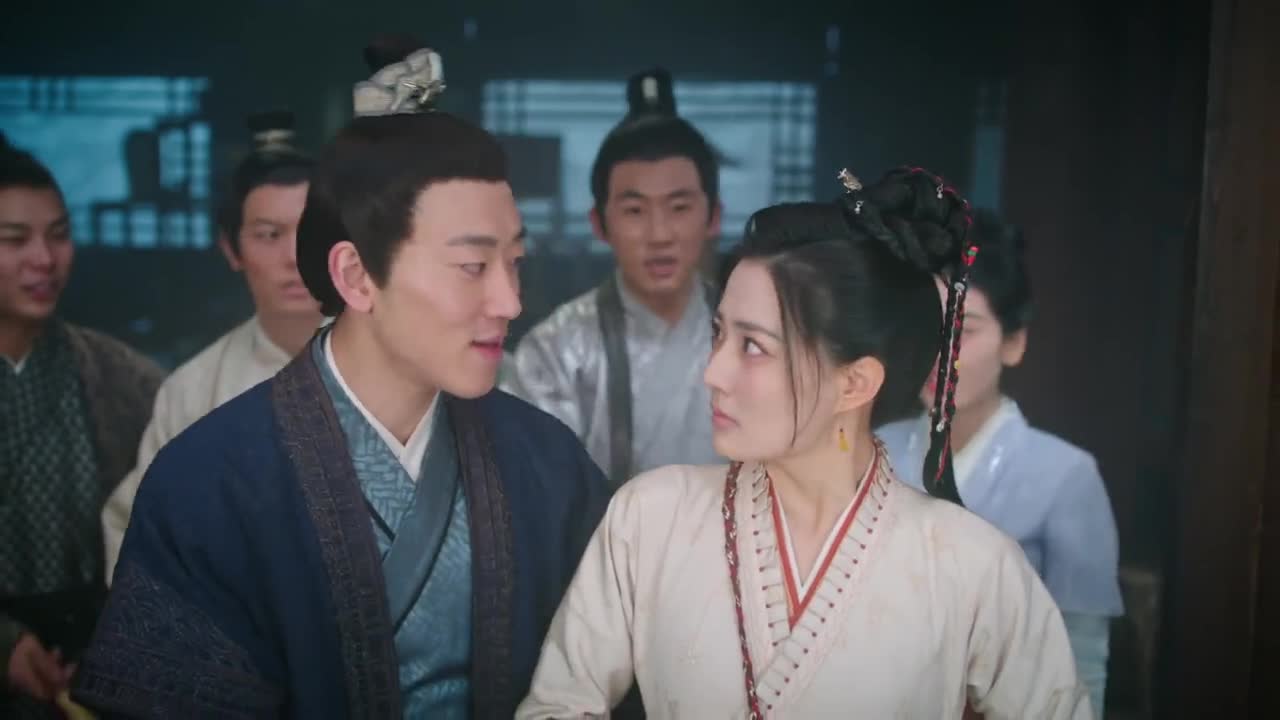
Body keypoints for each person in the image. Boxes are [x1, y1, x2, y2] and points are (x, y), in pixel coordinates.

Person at [71, 38, 611, 719]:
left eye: (516, 262)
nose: (509, 301)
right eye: (473, 267)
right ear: (356, 276)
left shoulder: (546, 463)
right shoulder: (208, 484)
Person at [517, 167, 1092, 719]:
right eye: (718, 334)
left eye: (753, 346)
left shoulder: (972, 564)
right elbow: (557, 706)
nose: (713, 372)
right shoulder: (649, 518)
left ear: (855, 383)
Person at [877, 210, 1122, 715]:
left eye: (963, 330)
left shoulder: (1065, 475)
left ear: (1014, 342)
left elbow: (1081, 662)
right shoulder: (874, 451)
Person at [101, 110, 321, 583]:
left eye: (310, 231)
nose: (294, 256)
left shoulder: (402, 365)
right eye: (269, 235)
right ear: (231, 249)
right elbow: (137, 532)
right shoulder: (193, 391)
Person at [0, 136, 163, 717]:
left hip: (103, 652)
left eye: (59, 235)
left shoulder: (124, 377)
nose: (44, 259)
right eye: (14, 240)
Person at [505, 68, 723, 486]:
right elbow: (537, 495)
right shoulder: (556, 352)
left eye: (679, 208)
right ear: (599, 224)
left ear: (713, 216)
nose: (659, 235)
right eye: (635, 211)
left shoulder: (757, 341)